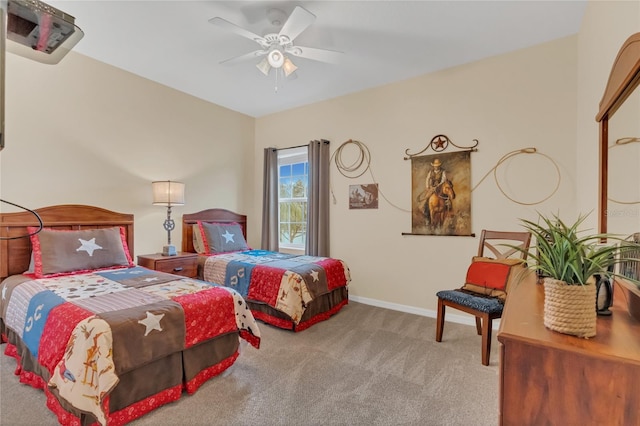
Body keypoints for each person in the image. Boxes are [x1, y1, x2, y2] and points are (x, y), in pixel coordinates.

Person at [424, 158, 447, 223]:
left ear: (439, 166)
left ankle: (448, 207)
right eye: (435, 166)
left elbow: (443, 180)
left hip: (440, 187)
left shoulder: (443, 171)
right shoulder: (430, 172)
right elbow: (427, 179)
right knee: (427, 199)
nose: (436, 167)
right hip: (432, 188)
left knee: (446, 197)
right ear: (433, 166)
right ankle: (426, 212)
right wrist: (427, 187)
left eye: (437, 166)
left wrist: (438, 186)